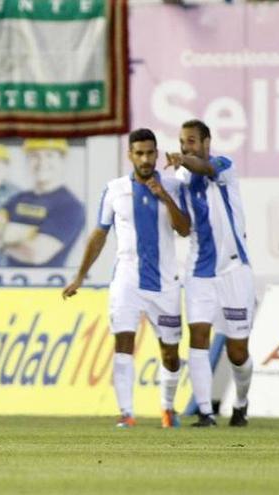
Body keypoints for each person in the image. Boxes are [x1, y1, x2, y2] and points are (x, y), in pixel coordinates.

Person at [63, 128, 190, 429]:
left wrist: (165, 198)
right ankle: (126, 413)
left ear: (157, 154)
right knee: (123, 342)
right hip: (127, 280)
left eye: (150, 153)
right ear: (130, 155)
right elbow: (99, 233)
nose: (145, 159)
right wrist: (80, 276)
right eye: (139, 153)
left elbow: (184, 229)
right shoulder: (115, 189)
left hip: (165, 282)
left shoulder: (172, 185)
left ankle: (167, 408)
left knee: (170, 354)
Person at [166, 119, 255, 428]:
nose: (185, 146)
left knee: (238, 351)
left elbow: (205, 168)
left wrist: (186, 161)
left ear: (206, 142)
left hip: (233, 269)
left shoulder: (223, 166)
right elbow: (182, 228)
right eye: (181, 141)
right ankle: (205, 412)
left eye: (191, 141)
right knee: (199, 336)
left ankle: (241, 403)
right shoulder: (179, 178)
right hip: (199, 270)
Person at [0, 139, 84, 267]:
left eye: (49, 155)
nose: (42, 162)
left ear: (62, 161)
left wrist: (1, 240)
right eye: (35, 156)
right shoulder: (17, 199)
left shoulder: (70, 206)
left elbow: (36, 254)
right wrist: (27, 236)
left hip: (46, 285)